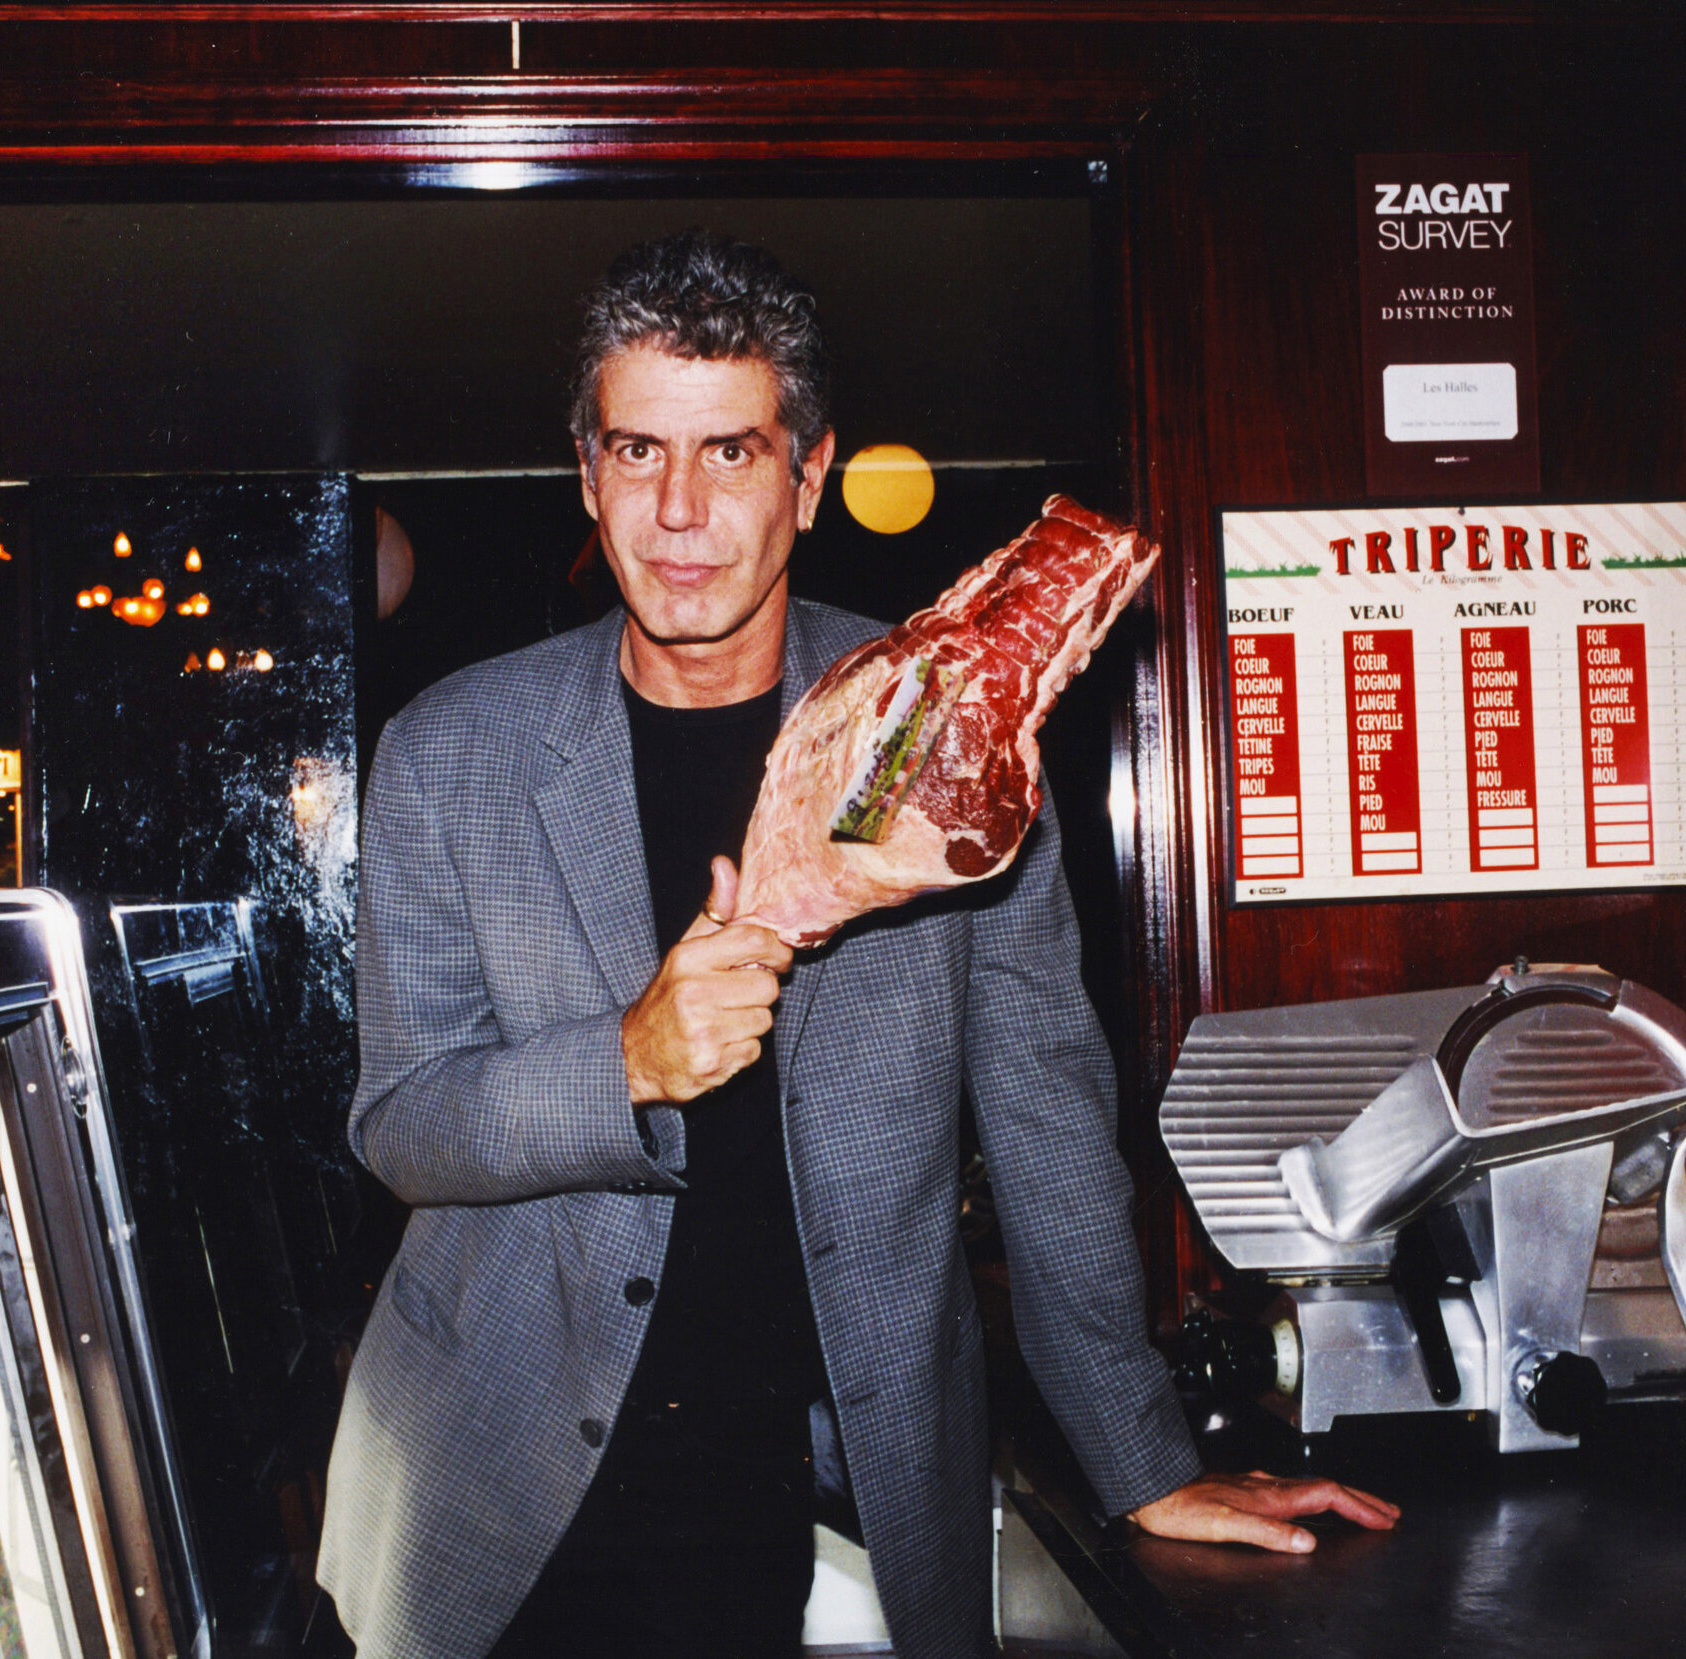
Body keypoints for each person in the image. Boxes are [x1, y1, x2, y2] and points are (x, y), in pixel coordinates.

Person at [316, 229, 1394, 1659]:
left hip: (797, 1482)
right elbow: (403, 1124)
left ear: (809, 478)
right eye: (638, 454)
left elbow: (1047, 1123)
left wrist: (1150, 1463)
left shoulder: (944, 737)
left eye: (734, 455)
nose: (682, 511)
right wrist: (628, 1061)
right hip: (490, 1482)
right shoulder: (453, 750)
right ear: (588, 476)